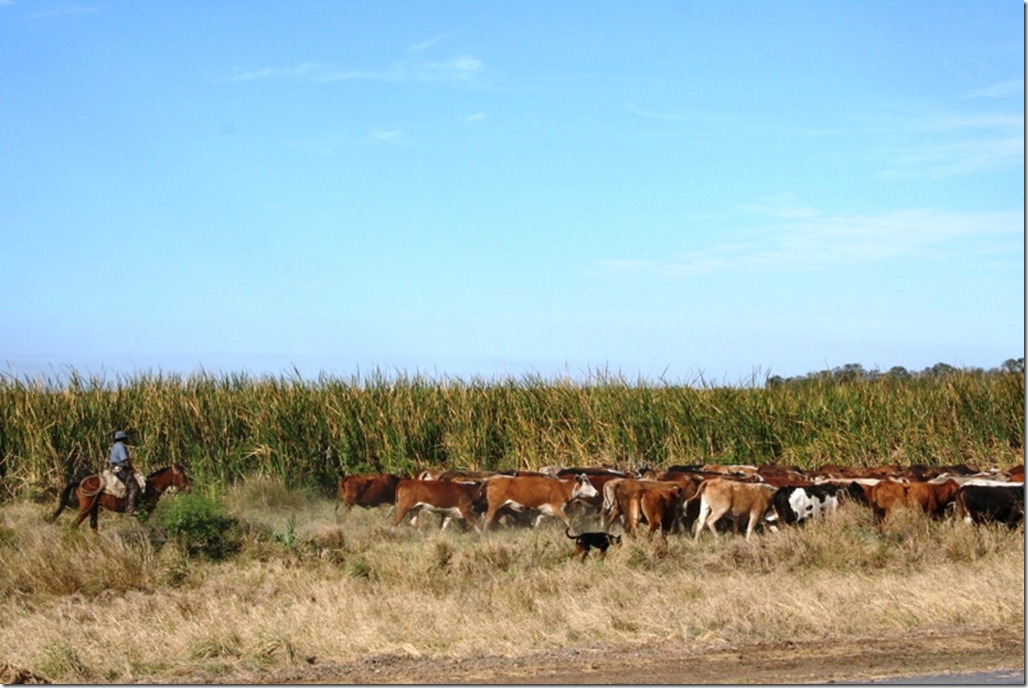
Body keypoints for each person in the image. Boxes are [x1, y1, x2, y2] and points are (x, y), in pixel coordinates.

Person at [109, 430, 140, 516]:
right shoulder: (121, 446)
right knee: (134, 486)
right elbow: (125, 461)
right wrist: (132, 469)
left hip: (114, 468)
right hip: (120, 468)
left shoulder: (114, 446)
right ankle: (131, 509)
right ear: (123, 439)